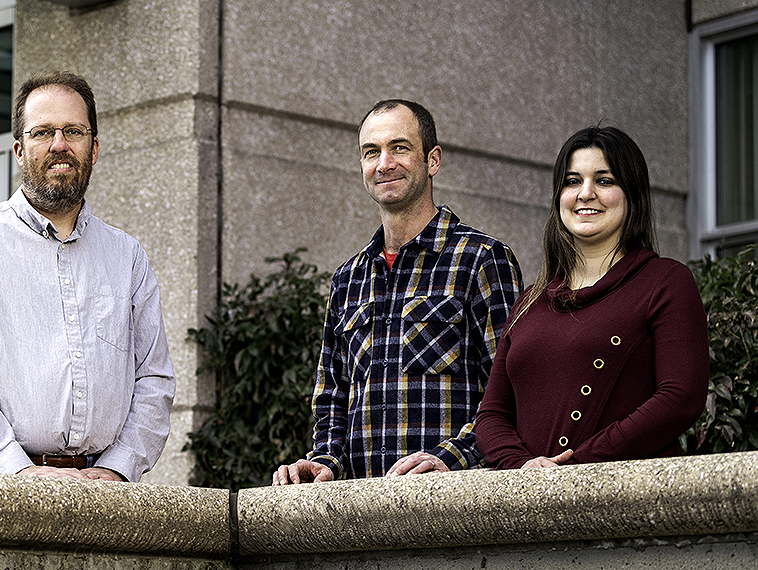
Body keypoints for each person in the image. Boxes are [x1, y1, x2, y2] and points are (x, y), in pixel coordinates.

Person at [0, 71, 175, 482]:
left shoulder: (127, 256)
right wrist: (16, 468)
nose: (59, 145)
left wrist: (119, 467)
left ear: (93, 149)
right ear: (20, 151)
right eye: (43, 133)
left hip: (105, 486)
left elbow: (155, 378)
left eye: (73, 131)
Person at [272, 100, 524, 485]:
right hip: (362, 516)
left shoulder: (482, 260)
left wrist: (450, 460)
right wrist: (325, 461)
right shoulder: (347, 279)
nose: (384, 163)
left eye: (400, 148)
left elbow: (511, 392)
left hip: (451, 504)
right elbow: (332, 400)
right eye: (371, 152)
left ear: (433, 160)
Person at [474, 126, 709, 469]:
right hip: (527, 503)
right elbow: (492, 414)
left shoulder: (665, 282)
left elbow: (680, 399)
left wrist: (576, 466)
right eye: (572, 181)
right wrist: (523, 468)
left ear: (633, 194)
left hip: (623, 500)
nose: (585, 193)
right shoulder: (530, 300)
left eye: (604, 180)